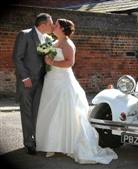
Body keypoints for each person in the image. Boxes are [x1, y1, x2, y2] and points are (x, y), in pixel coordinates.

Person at [35, 19, 118, 164]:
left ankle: (66, 144)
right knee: (51, 110)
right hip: (51, 80)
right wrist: (47, 57)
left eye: (57, 24)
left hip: (63, 81)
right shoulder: (53, 42)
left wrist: (52, 62)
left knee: (64, 112)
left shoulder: (68, 44)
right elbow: (47, 55)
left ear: (62, 29)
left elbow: (69, 62)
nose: (54, 26)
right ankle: (52, 144)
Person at [12, 13, 53, 155]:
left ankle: (38, 139)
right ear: (42, 24)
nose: (52, 26)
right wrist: (24, 77)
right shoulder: (24, 35)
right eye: (50, 23)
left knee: (38, 112)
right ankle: (29, 142)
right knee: (27, 112)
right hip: (27, 82)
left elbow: (47, 60)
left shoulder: (48, 38)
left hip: (42, 81)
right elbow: (17, 58)